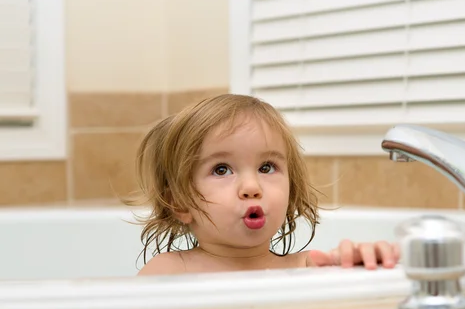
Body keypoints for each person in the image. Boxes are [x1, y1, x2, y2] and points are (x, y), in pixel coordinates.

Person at [127, 94, 400, 275]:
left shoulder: (306, 268)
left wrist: (361, 263)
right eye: (221, 169)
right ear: (179, 202)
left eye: (266, 167)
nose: (251, 186)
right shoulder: (169, 273)